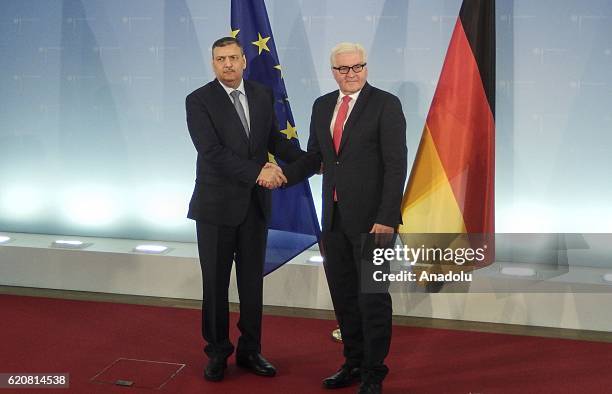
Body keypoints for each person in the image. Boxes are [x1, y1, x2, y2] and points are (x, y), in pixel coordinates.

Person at [185, 36, 308, 382]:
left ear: (244, 61)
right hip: (215, 209)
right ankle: (218, 352)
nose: (227, 64)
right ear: (213, 64)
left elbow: (273, 139)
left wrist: (310, 160)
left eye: (233, 58)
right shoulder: (198, 100)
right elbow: (212, 152)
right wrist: (259, 172)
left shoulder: (261, 94)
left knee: (252, 284)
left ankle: (250, 350)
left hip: (254, 207)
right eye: (220, 59)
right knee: (215, 285)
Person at [291, 42, 407, 394]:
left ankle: (374, 373)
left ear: (365, 67)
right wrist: (281, 174)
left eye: (358, 67)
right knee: (344, 297)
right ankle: (353, 362)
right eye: (344, 69)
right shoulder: (322, 105)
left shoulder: (386, 104)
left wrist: (388, 217)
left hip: (376, 224)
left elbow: (395, 164)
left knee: (372, 298)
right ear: (334, 72)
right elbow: (316, 158)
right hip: (335, 221)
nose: (352, 74)